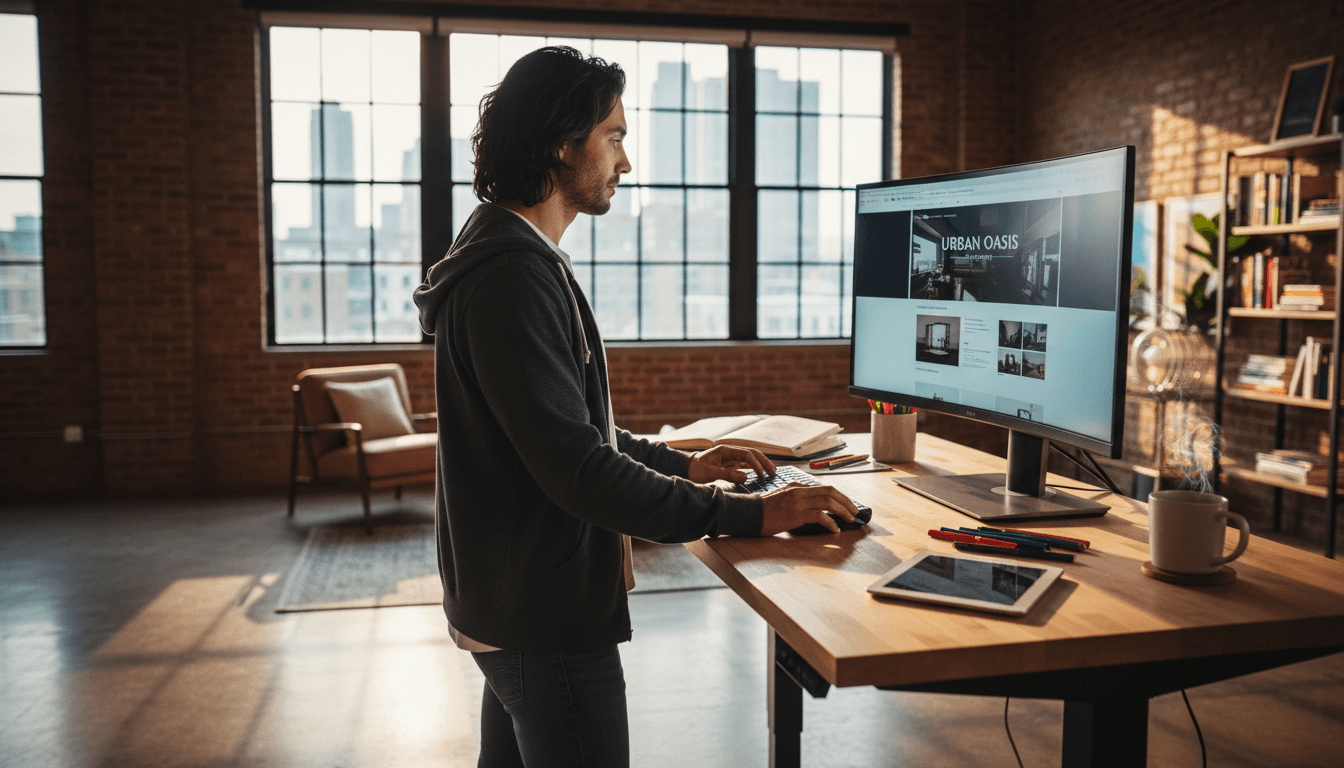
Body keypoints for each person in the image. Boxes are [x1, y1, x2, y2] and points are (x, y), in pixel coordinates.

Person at [413, 46, 859, 768]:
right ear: (563, 143)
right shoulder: (512, 279)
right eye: (613, 137)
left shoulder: (514, 259)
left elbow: (570, 429)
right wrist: (754, 514)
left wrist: (684, 464)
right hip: (546, 620)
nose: (626, 162)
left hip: (520, 606)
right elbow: (578, 470)